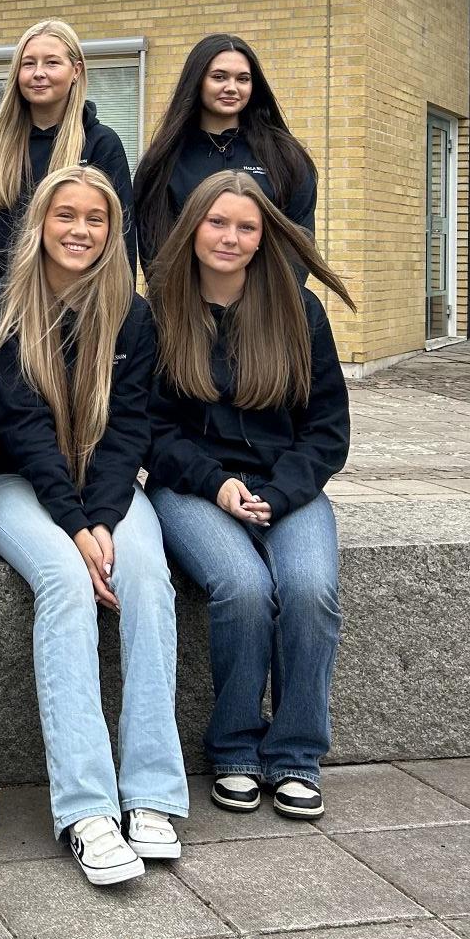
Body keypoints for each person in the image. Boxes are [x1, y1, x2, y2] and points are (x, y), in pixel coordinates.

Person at [0, 167, 186, 886]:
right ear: (40, 222)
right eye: (66, 215)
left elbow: (130, 429)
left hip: (106, 485)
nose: (79, 229)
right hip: (14, 483)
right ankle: (88, 809)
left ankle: (152, 793)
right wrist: (75, 526)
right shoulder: (2, 307)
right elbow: (24, 430)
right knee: (67, 581)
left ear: (112, 232)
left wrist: (101, 516)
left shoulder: (132, 315)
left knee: (147, 576)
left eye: (95, 219)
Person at [146, 169, 353, 821]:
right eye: (217, 223)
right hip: (192, 487)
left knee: (309, 589)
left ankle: (295, 755)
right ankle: (235, 747)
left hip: (285, 487)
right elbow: (149, 429)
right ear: (193, 228)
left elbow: (327, 430)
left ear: (264, 237)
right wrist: (216, 483)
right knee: (241, 586)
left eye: (246, 227)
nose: (229, 238)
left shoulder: (299, 311)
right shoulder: (159, 310)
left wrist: (281, 492)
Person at [0, 18, 136, 291]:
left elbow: (121, 240)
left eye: (51, 63)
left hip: (76, 303)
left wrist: (116, 302)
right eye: (28, 64)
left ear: (76, 70)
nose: (38, 73)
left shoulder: (101, 144)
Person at [132, 34, 317, 279]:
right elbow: (154, 249)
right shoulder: (162, 161)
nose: (231, 87)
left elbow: (299, 243)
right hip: (183, 299)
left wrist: (274, 296)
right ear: (197, 81)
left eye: (243, 79)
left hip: (268, 299)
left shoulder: (285, 156)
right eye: (219, 77)